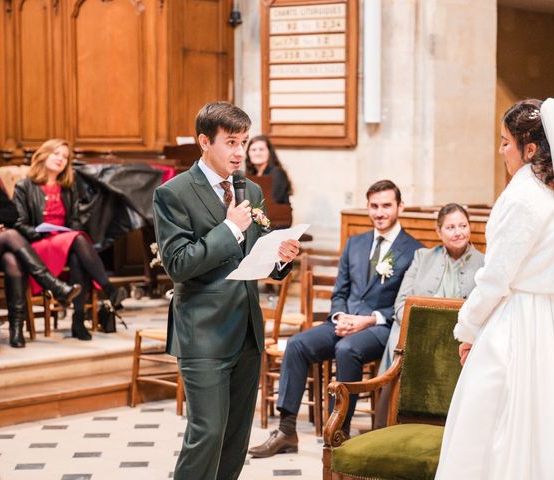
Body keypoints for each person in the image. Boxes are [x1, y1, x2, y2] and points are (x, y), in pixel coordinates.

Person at [435, 99, 554, 479]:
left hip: (520, 324)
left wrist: (469, 328)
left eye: (506, 142)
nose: (500, 150)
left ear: (529, 149)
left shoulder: (525, 199)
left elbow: (495, 277)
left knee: (500, 433)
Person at [153, 102, 299, 480]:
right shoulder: (174, 193)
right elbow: (178, 264)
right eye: (231, 142)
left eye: (244, 141)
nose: (239, 152)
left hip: (247, 329)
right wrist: (231, 228)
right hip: (203, 331)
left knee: (235, 436)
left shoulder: (249, 188)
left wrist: (281, 257)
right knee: (207, 434)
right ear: (205, 141)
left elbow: (259, 251)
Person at [248, 180, 423, 458]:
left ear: (400, 206)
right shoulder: (355, 243)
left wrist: (367, 320)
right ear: (367, 207)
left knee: (347, 349)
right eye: (374, 206)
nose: (380, 212)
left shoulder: (414, 250)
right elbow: (339, 291)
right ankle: (286, 430)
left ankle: (338, 430)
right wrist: (341, 315)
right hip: (343, 322)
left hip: (380, 328)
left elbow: (407, 303)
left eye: (387, 205)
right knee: (296, 344)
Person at [13, 139, 128, 342]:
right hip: (38, 245)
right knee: (78, 241)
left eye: (65, 157)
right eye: (56, 154)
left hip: (66, 241)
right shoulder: (24, 186)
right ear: (43, 155)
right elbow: (19, 223)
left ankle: (78, 319)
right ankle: (108, 290)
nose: (61, 159)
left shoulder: (68, 187)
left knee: (77, 255)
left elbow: (74, 221)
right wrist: (43, 232)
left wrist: (67, 233)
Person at [378, 203, 484, 374]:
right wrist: (417, 326)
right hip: (418, 333)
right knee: (397, 330)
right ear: (439, 231)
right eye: (450, 227)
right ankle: (393, 394)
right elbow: (401, 304)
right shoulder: (422, 257)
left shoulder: (484, 263)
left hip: (460, 337)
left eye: (463, 226)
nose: (458, 232)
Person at [0, 180, 80, 348]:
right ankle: (54, 286)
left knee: (12, 260)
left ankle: (16, 328)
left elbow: (13, 213)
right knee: (10, 235)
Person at [245, 135, 292, 204]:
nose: (257, 153)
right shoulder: (251, 174)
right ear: (248, 153)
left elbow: (273, 200)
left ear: (269, 152)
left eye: (261, 149)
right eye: (253, 150)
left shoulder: (277, 173)